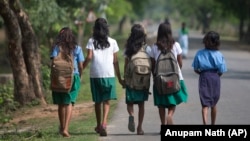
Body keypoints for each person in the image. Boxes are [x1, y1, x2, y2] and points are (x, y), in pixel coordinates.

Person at [82, 17, 123, 136]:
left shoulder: (91, 41)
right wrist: (119, 78)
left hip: (95, 74)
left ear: (95, 29)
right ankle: (104, 123)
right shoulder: (113, 42)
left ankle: (99, 124)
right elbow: (115, 61)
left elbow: (89, 57)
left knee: (97, 102)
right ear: (106, 29)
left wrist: (81, 68)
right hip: (109, 74)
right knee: (106, 101)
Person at [148, 22, 188, 126]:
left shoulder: (155, 47)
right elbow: (180, 63)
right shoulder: (176, 45)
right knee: (172, 100)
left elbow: (152, 64)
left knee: (161, 104)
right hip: (173, 78)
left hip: (160, 79)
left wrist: (155, 76)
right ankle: (169, 115)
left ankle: (162, 124)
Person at [50, 27, 85, 137]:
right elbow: (80, 65)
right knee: (69, 103)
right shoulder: (77, 48)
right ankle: (66, 129)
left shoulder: (56, 47)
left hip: (59, 78)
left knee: (61, 104)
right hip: (72, 77)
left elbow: (53, 63)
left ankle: (61, 128)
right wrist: (80, 75)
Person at [192, 31, 227, 125]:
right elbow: (222, 70)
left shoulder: (199, 53)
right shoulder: (219, 54)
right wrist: (215, 76)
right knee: (213, 103)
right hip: (215, 78)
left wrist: (203, 74)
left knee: (205, 104)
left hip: (204, 77)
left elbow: (195, 69)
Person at [123, 24, 151, 135]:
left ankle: (131, 115)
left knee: (130, 102)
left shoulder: (128, 48)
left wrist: (125, 78)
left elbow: (126, 64)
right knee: (141, 104)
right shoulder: (147, 48)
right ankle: (139, 128)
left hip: (131, 80)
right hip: (143, 80)